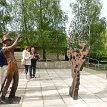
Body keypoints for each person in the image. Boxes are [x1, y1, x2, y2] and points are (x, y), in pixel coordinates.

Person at [0, 35, 22, 103]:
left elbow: (13, 46)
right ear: (5, 42)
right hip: (10, 66)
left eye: (9, 40)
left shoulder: (10, 48)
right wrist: (17, 39)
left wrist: (17, 41)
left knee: (16, 81)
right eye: (7, 40)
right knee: (8, 82)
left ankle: (12, 96)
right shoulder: (4, 48)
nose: (9, 41)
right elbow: (13, 46)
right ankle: (2, 97)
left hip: (14, 65)